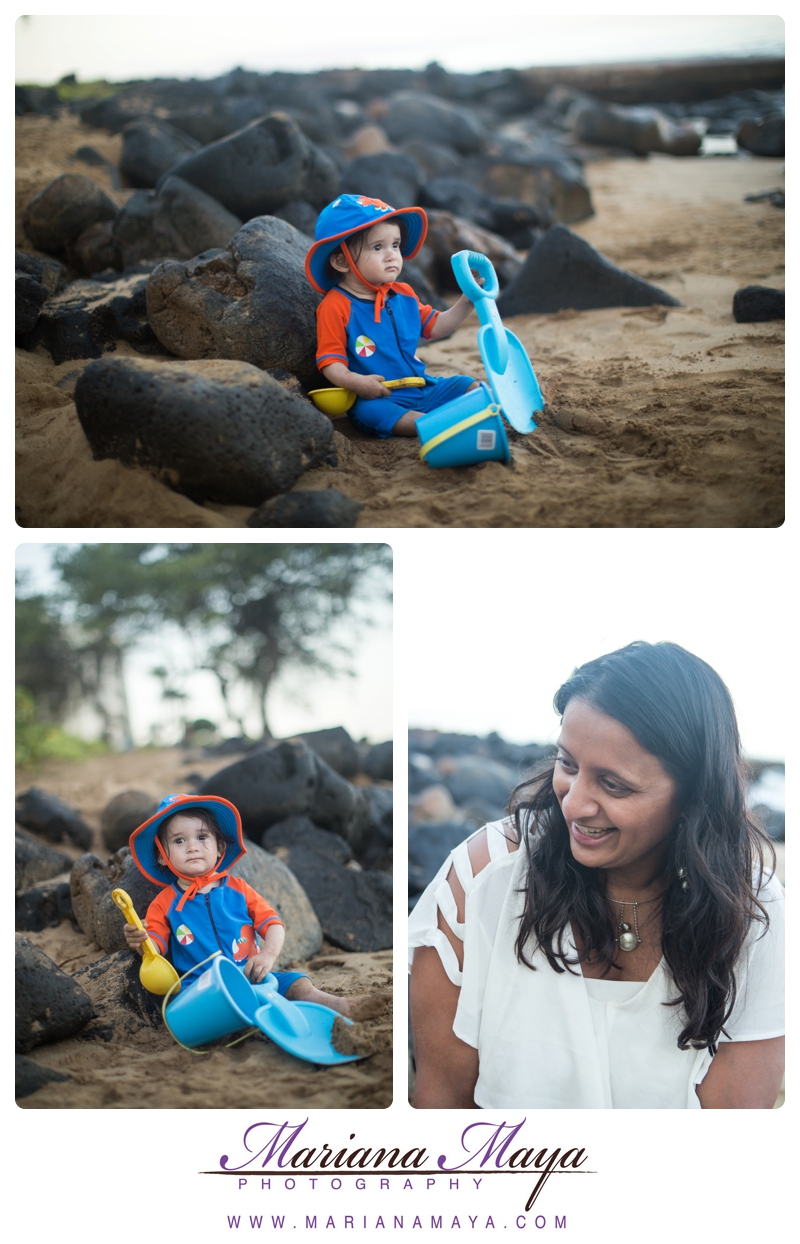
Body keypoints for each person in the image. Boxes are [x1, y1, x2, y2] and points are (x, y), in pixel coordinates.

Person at [409, 642, 784, 1109]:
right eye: (568, 764)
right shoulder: (485, 876)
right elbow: (440, 1101)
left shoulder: (751, 910)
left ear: (693, 796)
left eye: (613, 784)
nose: (572, 803)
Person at [126, 794, 386, 1020]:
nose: (192, 846)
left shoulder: (238, 889)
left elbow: (274, 925)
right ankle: (253, 1015)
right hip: (203, 988)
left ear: (219, 848)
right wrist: (141, 941)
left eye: (202, 837)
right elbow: (155, 947)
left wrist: (267, 956)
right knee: (206, 1008)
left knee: (297, 983)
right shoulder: (164, 903)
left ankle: (342, 1006)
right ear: (162, 854)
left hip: (252, 976)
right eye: (179, 841)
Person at [304, 194, 484, 438]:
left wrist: (466, 301)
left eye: (395, 245)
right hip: (381, 395)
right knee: (372, 412)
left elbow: (437, 326)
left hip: (422, 387)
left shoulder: (404, 293)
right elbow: (330, 362)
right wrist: (357, 383)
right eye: (377, 247)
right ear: (341, 261)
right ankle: (436, 425)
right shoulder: (335, 306)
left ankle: (477, 410)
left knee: (466, 384)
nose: (391, 255)